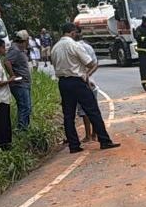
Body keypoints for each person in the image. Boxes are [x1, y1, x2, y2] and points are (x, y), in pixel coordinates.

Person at [51, 22, 119, 153]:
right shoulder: (74, 45)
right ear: (72, 32)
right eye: (75, 33)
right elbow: (90, 63)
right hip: (77, 81)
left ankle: (74, 145)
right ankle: (104, 140)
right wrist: (87, 75)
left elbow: (54, 65)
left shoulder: (55, 48)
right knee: (92, 110)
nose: (76, 35)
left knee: (68, 115)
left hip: (63, 83)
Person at [5, 30, 32, 131]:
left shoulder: (19, 50)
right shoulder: (15, 50)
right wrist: (13, 76)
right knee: (24, 107)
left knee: (26, 107)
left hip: (24, 83)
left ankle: (25, 127)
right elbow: (7, 62)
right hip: (20, 84)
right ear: (25, 40)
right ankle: (22, 129)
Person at [75, 34, 99, 141]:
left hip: (80, 81)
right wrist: (88, 75)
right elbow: (95, 64)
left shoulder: (73, 47)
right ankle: (95, 133)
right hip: (91, 82)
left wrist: (84, 76)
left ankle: (88, 135)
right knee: (93, 108)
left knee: (83, 110)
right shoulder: (89, 48)